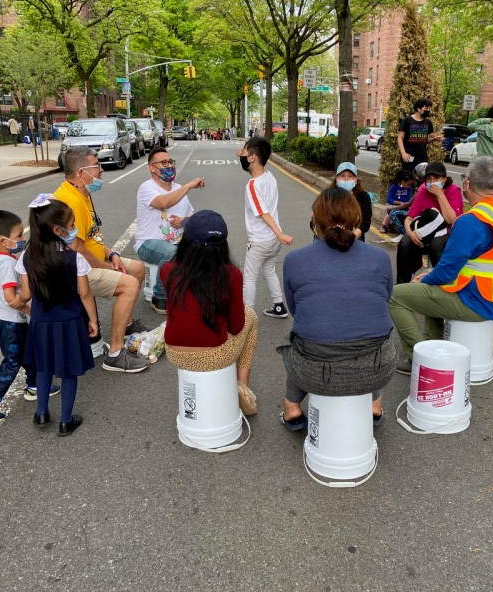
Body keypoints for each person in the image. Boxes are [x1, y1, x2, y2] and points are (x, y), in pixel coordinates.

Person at [389, 156, 493, 374]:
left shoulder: (471, 221)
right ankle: (432, 344)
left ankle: (421, 359)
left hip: (477, 302)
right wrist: (432, 276)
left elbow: (446, 272)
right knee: (429, 284)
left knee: (396, 295)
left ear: (467, 183)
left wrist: (427, 276)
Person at [277, 188, 396, 430]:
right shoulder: (380, 258)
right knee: (368, 335)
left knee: (300, 341)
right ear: (356, 219)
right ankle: (374, 404)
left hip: (315, 370)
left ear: (314, 219)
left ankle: (292, 407)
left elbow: (297, 311)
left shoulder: (295, 260)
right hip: (377, 368)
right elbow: (384, 300)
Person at [53, 148, 149, 373]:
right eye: (96, 165)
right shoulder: (70, 202)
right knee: (130, 283)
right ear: (82, 173)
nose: (101, 169)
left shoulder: (81, 193)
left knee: (136, 268)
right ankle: (115, 354)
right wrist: (109, 268)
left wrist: (113, 255)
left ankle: (125, 326)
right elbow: (76, 248)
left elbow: (91, 237)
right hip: (74, 270)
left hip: (89, 261)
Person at [13, 196, 98, 436]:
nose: (74, 230)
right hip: (69, 322)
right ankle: (65, 419)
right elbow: (85, 293)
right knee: (69, 370)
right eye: (71, 226)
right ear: (57, 229)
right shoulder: (75, 258)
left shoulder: (27, 257)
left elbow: (27, 293)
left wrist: (17, 302)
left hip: (41, 322)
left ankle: (41, 413)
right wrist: (92, 319)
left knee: (43, 368)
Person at [162, 210, 259, 416]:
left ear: (186, 239)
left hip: (174, 353)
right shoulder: (231, 274)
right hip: (214, 355)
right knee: (251, 317)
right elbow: (236, 326)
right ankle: (242, 386)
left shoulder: (167, 270)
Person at [0, 210, 59, 423]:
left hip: (7, 319)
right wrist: (32, 312)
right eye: (18, 236)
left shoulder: (1, 257)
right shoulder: (7, 264)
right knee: (13, 361)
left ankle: (35, 385)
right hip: (10, 322)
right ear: (2, 240)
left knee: (30, 350)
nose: (23, 239)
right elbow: (12, 298)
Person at [134, 147, 205, 314]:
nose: (169, 166)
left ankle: (195, 293)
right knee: (172, 253)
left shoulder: (178, 187)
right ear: (152, 168)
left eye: (171, 162)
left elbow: (192, 218)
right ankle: (160, 297)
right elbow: (163, 203)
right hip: (148, 243)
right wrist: (188, 186)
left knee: (206, 247)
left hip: (177, 242)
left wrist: (184, 221)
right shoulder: (146, 188)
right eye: (163, 163)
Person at [237, 136, 293, 317]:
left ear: (252, 158)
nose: (242, 156)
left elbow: (263, 213)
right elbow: (255, 170)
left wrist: (280, 234)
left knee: (249, 279)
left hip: (260, 241)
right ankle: (279, 306)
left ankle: (247, 318)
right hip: (272, 242)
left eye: (244, 153)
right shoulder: (269, 176)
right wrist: (278, 236)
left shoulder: (252, 186)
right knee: (269, 270)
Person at [395, 162, 464, 284]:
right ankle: (402, 283)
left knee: (436, 244)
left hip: (446, 234)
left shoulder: (453, 191)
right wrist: (410, 233)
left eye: (436, 178)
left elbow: (451, 220)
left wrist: (440, 196)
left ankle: (441, 283)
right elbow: (409, 218)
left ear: (444, 179)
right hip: (426, 233)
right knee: (405, 243)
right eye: (429, 179)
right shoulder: (423, 189)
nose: (432, 182)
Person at [397, 98, 441, 172]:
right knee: (408, 178)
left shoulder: (428, 122)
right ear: (418, 109)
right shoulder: (407, 120)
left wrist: (434, 139)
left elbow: (425, 140)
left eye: (430, 108)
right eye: (426, 108)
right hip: (409, 156)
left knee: (422, 179)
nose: (428, 110)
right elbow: (400, 138)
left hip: (422, 157)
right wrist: (403, 153)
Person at [333, 162, 372, 241]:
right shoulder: (329, 195)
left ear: (356, 180)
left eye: (350, 176)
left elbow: (365, 222)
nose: (346, 180)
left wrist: (352, 236)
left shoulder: (363, 197)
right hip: (331, 235)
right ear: (336, 180)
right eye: (342, 176)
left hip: (355, 236)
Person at [382, 169, 415, 237]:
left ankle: (395, 225)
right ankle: (384, 225)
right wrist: (400, 203)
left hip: (403, 205)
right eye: (408, 184)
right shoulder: (394, 187)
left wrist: (404, 204)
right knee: (392, 210)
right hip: (392, 205)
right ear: (402, 182)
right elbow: (389, 200)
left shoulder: (409, 189)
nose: (409, 186)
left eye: (410, 185)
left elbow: (408, 200)